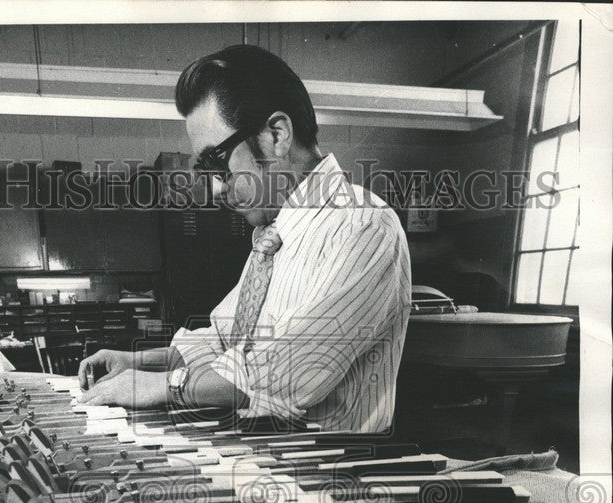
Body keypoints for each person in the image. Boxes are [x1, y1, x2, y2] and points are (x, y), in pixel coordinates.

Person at [78, 44, 411, 432]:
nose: (217, 190)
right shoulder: (272, 237)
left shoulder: (362, 226)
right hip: (266, 465)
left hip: (327, 481)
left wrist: (164, 385)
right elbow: (222, 341)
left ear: (276, 135)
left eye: (218, 164)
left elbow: (286, 370)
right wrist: (137, 362)